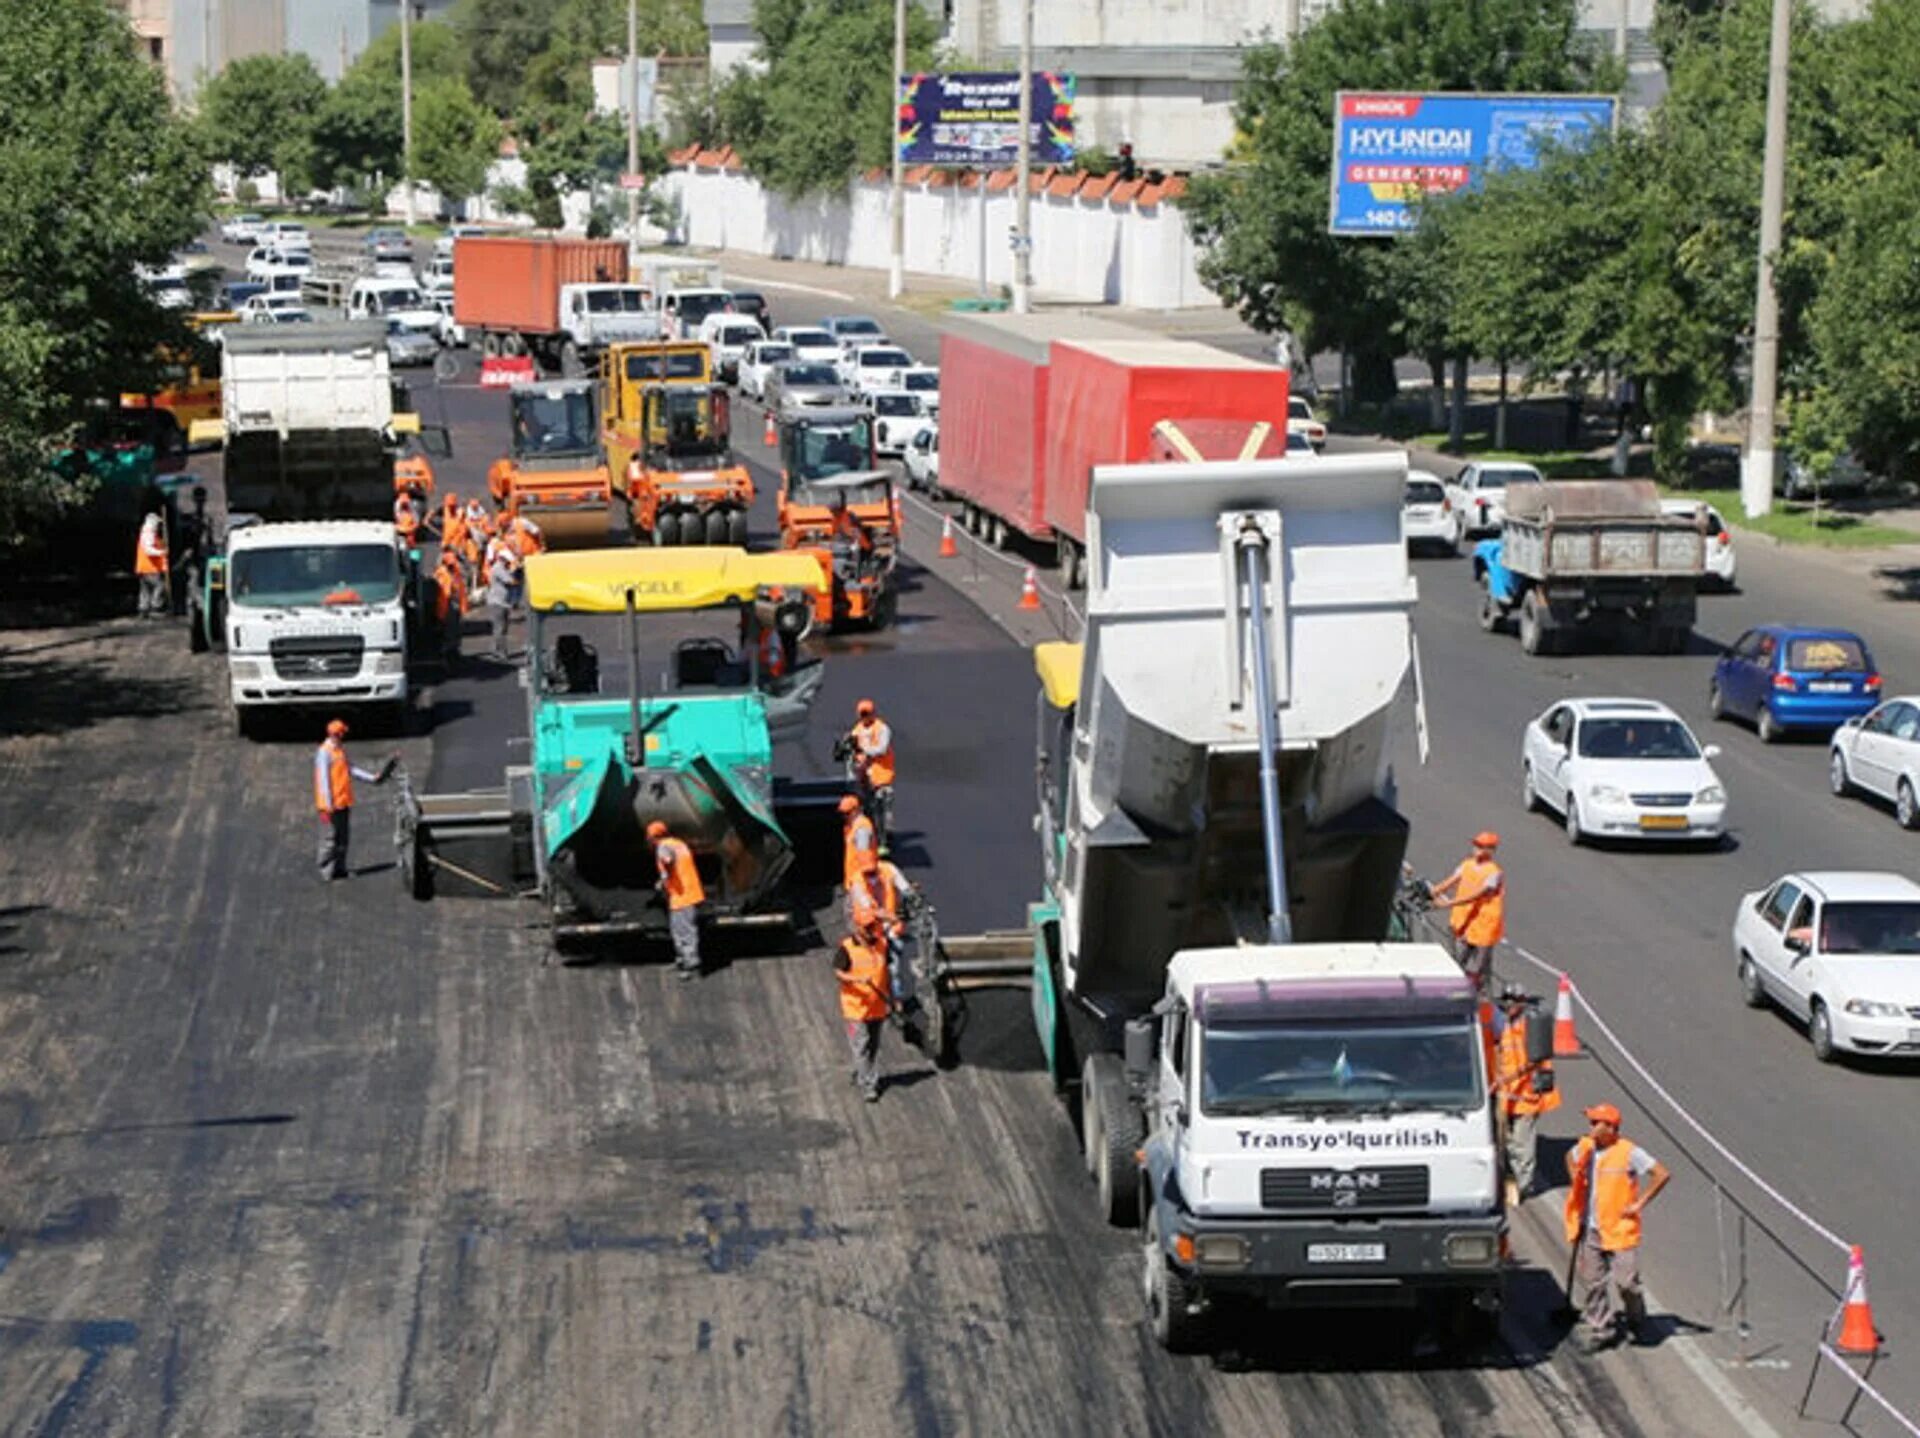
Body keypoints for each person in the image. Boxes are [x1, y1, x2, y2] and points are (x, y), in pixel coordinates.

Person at [1564, 1103, 1671, 1352]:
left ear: (1610, 1127)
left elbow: (1661, 1174)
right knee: (1593, 1281)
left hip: (1619, 1229)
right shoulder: (1586, 1147)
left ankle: (1636, 1315)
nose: (1590, 1127)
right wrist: (1577, 1183)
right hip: (1591, 1227)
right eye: (1590, 1122)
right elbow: (1570, 1158)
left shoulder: (1628, 1152)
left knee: (1626, 1283)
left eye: (1595, 1123)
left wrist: (1639, 1203)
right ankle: (1602, 1328)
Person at [1492, 983, 1560, 1203]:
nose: (1507, 1007)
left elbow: (1533, 1061)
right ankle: (1514, 1181)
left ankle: (1523, 1187)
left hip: (1526, 1096)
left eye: (1511, 1003)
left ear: (1521, 1003)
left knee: (1523, 1143)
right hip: (1506, 1095)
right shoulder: (1507, 1026)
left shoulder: (1530, 1027)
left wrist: (1506, 1080)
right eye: (1505, 1003)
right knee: (1508, 1142)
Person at [313, 719, 392, 881]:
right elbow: (323, 781)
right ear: (337, 734)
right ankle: (326, 871)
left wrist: (372, 777)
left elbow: (351, 770)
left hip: (342, 802)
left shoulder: (340, 751)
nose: (344, 737)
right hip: (329, 806)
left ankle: (340, 869)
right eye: (342, 734)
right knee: (329, 840)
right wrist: (327, 806)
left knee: (343, 839)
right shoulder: (324, 753)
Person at [1429, 831, 1505, 990]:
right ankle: (1454, 991)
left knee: (1480, 969)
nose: (1476, 848)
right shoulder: (1467, 864)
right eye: (1475, 844)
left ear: (1491, 850)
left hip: (1484, 925)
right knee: (1456, 962)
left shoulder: (1493, 872)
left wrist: (1448, 904)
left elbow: (1477, 896)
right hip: (1463, 922)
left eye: (1481, 846)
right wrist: (1433, 891)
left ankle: (1484, 999)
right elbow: (1451, 881)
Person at [833, 930, 892, 1102]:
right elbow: (838, 971)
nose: (871, 931)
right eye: (867, 927)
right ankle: (869, 1085)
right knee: (861, 1044)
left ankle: (862, 1072)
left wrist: (893, 996)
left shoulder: (882, 944)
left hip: (877, 1006)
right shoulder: (848, 948)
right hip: (855, 1008)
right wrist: (856, 979)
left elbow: (887, 972)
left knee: (872, 1045)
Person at [647, 820, 704, 979]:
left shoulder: (664, 847)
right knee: (677, 929)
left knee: (684, 931)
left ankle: (692, 966)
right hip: (688, 893)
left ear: (653, 838)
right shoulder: (679, 843)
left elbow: (668, 861)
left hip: (683, 896)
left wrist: (662, 882)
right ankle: (681, 961)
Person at [847, 699, 895, 847]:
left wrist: (864, 750)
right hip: (863, 777)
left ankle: (886, 836)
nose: (864, 717)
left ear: (873, 713)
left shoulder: (882, 729)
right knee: (866, 809)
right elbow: (852, 754)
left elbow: (881, 749)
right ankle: (873, 838)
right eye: (862, 714)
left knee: (883, 807)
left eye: (867, 713)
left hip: (881, 777)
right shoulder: (856, 730)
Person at [482, 539, 519, 661]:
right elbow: (510, 581)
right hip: (498, 603)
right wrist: (515, 574)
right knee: (500, 629)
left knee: (500, 628)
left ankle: (495, 650)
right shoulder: (498, 568)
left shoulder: (500, 568)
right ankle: (501, 653)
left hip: (501, 602)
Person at [431, 548, 465, 665]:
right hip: (445, 608)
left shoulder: (455, 572)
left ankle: (454, 652)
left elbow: (460, 590)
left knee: (455, 632)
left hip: (454, 606)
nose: (453, 565)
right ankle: (447, 656)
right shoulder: (440, 573)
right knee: (447, 634)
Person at [134, 507, 169, 618]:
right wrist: (161, 552)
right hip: (150, 567)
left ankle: (143, 609)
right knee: (159, 586)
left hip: (145, 567)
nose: (158, 527)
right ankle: (155, 608)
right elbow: (148, 550)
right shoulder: (148, 533)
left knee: (146, 589)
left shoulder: (147, 533)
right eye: (157, 524)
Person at [840, 793, 878, 894]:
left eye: (847, 813)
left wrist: (870, 880)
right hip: (854, 881)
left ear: (856, 810)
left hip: (861, 883)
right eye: (842, 813)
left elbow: (864, 854)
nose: (844, 816)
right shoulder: (852, 826)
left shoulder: (861, 828)